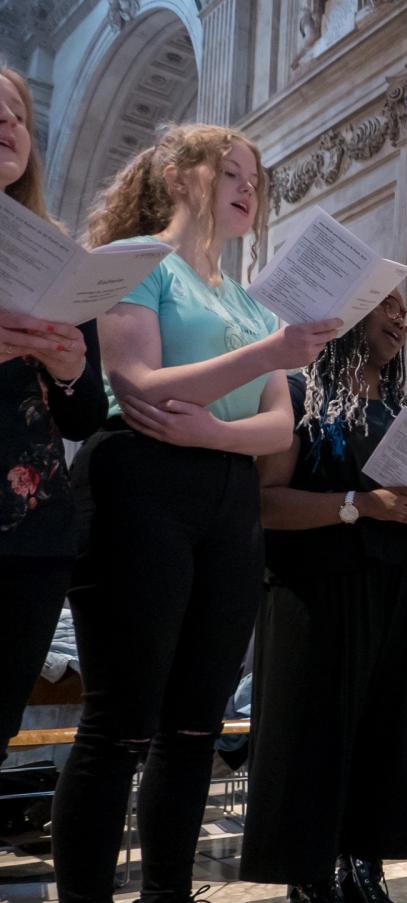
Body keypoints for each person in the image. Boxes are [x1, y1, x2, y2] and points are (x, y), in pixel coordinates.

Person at [49, 123, 343, 903]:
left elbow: (276, 431)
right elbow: (136, 389)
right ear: (181, 176)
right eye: (234, 172)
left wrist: (219, 423)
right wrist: (263, 363)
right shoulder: (137, 259)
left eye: (257, 175)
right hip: (137, 487)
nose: (250, 187)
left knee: (192, 730)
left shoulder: (250, 300)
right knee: (120, 723)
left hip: (224, 502)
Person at [241, 290, 407, 903]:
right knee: (315, 735)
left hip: (404, 587)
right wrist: (362, 504)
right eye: (389, 307)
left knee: (387, 733)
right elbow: (266, 501)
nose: (401, 320)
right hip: (318, 589)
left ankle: (365, 872)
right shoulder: (295, 390)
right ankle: (310, 884)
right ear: (350, 313)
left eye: (406, 311)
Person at [0, 67, 107, 766]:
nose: (8, 124)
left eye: (18, 115)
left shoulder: (58, 257)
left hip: (33, 533)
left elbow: (84, 416)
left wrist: (69, 369)